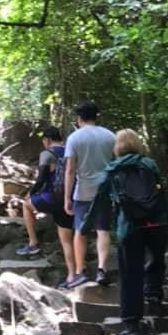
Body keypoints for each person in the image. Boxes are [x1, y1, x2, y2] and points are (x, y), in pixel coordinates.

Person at [82, 128, 168, 335]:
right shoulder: (149, 165)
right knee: (157, 261)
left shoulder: (112, 170)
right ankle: (154, 300)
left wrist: (86, 226)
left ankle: (132, 325)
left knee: (130, 274)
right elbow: (162, 195)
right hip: (156, 224)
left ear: (117, 147)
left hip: (130, 227)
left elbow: (99, 201)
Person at [63, 100, 116, 288]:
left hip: (83, 190)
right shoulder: (110, 136)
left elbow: (70, 170)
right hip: (105, 190)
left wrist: (66, 198)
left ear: (79, 119)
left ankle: (80, 272)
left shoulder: (75, 138)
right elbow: (115, 164)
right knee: (103, 229)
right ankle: (102, 269)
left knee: (80, 231)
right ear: (96, 117)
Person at [16, 127, 77, 286]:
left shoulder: (47, 153)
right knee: (67, 240)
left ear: (47, 140)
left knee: (26, 205)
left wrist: (31, 193)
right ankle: (73, 275)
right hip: (71, 199)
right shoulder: (71, 151)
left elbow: (42, 179)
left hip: (53, 197)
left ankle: (33, 243)